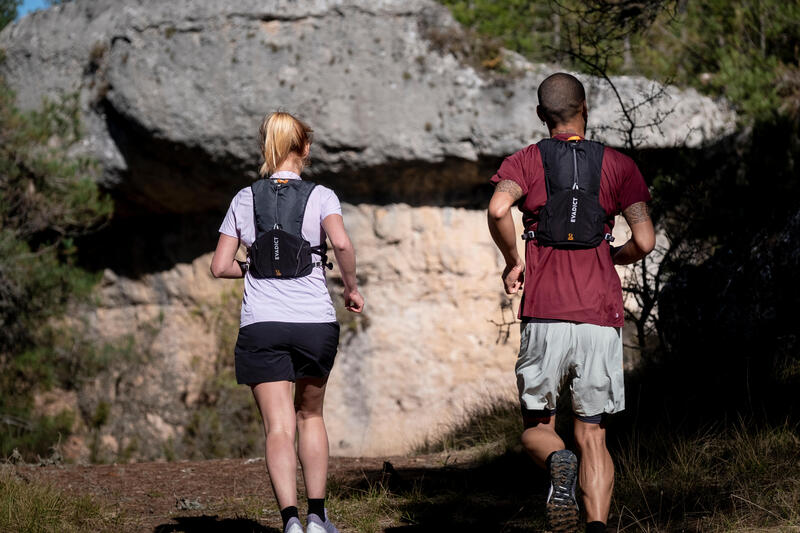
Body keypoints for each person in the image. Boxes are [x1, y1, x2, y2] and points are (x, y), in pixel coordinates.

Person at [486, 73, 655, 533]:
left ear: (542, 116)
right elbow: (645, 239)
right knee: (593, 433)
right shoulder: (619, 166)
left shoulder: (525, 161)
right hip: (600, 315)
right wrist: (612, 256)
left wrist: (512, 261)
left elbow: (499, 210)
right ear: (586, 107)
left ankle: (557, 460)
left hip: (545, 312)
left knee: (539, 425)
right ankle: (596, 527)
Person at [210, 111, 364, 533]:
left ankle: (291, 523)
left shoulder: (244, 198)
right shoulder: (322, 196)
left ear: (267, 149)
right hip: (314, 321)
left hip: (262, 324)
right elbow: (343, 243)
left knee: (277, 426)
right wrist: (350, 287)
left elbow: (220, 266)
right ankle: (318, 518)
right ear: (305, 148)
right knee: (309, 416)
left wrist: (255, 267)